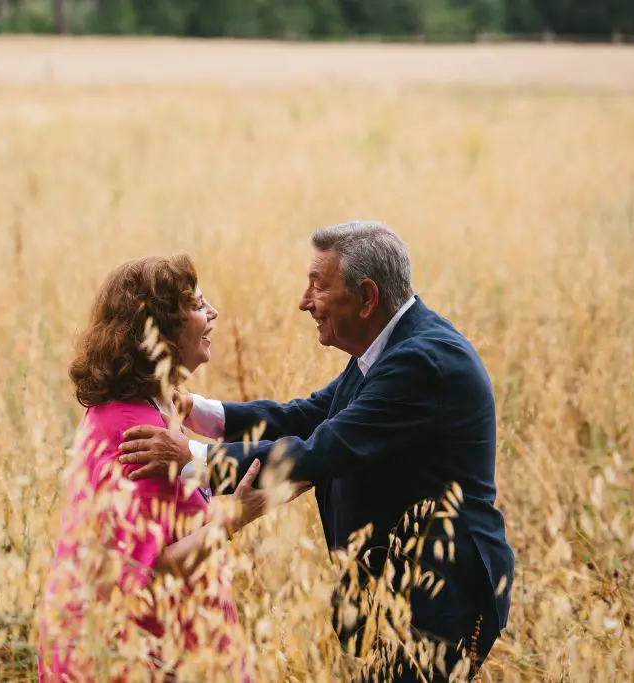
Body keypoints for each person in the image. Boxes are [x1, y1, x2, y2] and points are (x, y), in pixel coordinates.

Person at [119, 221, 515, 682]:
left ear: (367, 298)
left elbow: (322, 449)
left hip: (445, 593)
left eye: (318, 286)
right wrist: (199, 411)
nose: (304, 302)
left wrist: (193, 461)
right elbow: (306, 416)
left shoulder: (420, 362)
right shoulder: (387, 349)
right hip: (404, 586)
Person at [37, 254, 298, 683]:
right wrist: (237, 515)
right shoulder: (133, 431)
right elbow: (144, 570)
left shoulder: (156, 411)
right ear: (161, 331)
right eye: (196, 305)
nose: (212, 313)